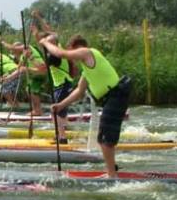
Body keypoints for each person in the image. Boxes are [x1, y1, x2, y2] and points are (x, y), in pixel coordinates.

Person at [39, 33, 131, 177]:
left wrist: (45, 43)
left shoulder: (87, 52)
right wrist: (60, 105)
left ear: (75, 47)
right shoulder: (86, 69)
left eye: (72, 50)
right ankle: (112, 169)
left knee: (106, 140)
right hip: (111, 99)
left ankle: (112, 175)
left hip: (116, 96)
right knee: (102, 139)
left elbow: (60, 53)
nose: (73, 57)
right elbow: (79, 91)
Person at [29, 10, 76, 143]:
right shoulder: (57, 46)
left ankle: (62, 138)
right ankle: (60, 135)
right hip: (61, 84)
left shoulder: (54, 55)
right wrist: (38, 18)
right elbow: (49, 31)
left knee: (56, 111)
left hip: (62, 84)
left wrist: (30, 57)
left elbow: (41, 68)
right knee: (56, 111)